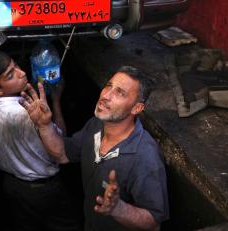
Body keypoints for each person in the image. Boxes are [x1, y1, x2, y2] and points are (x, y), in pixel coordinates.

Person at [20, 66, 169, 231]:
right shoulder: (97, 125)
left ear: (136, 108)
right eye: (108, 85)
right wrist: (44, 125)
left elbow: (153, 223)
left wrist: (119, 209)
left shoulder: (145, 156)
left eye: (120, 92)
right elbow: (62, 154)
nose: (105, 95)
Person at [0, 49, 81, 231]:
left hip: (12, 184)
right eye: (11, 75)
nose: (22, 73)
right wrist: (56, 101)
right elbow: (61, 148)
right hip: (42, 190)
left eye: (16, 66)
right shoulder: (25, 117)